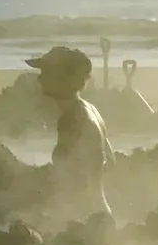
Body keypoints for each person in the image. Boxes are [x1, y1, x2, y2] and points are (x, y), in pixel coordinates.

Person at [28, 46, 115, 222]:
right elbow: (110, 163)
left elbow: (67, 179)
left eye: (46, 72)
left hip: (85, 221)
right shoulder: (91, 110)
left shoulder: (72, 120)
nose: (40, 77)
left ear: (65, 79)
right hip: (101, 215)